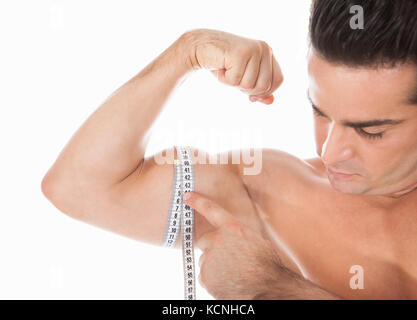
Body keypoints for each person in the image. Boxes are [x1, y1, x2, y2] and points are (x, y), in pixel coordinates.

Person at [41, 0, 417, 299]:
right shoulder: (268, 192)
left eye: (370, 131)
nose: (331, 152)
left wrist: (276, 287)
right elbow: (79, 188)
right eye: (320, 112)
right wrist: (188, 52)